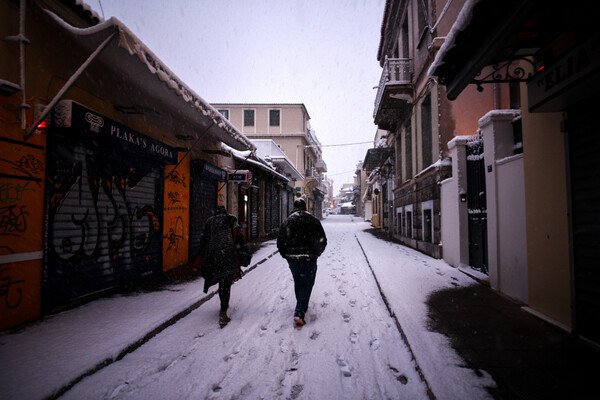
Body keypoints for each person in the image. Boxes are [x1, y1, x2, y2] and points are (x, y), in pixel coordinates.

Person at [277, 198, 327, 327]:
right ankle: (300, 311)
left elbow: (281, 241)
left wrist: (285, 254)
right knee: (307, 283)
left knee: (298, 282)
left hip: (293, 258)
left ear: (293, 207)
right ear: (305, 207)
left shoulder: (288, 221)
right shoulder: (313, 220)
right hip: (309, 257)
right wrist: (317, 252)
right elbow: (322, 238)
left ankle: (301, 305)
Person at [197, 205, 245, 327]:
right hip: (227, 255)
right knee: (226, 283)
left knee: (221, 281)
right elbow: (238, 235)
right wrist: (240, 250)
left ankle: (224, 305)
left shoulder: (210, 222)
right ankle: (223, 313)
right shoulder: (230, 219)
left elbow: (203, 240)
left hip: (214, 257)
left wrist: (201, 257)